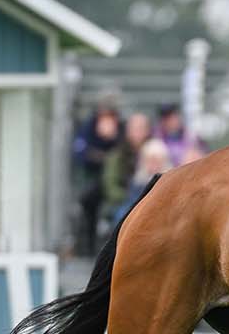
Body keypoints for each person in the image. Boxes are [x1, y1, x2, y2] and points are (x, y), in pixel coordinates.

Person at [71, 103, 120, 253]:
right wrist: (100, 155)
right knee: (89, 201)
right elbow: (79, 153)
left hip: (117, 181)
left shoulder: (120, 131)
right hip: (92, 179)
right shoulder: (88, 129)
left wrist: (112, 140)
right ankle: (89, 248)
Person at [102, 112, 153, 221]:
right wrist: (129, 197)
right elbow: (111, 185)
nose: (138, 132)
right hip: (126, 202)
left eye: (141, 128)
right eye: (134, 129)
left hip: (153, 200)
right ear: (128, 131)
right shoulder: (117, 156)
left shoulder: (156, 151)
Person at [114, 138, 175, 226]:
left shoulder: (170, 181)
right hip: (139, 214)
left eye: (157, 161)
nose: (153, 164)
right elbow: (132, 202)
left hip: (163, 216)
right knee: (121, 214)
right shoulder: (138, 181)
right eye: (150, 160)